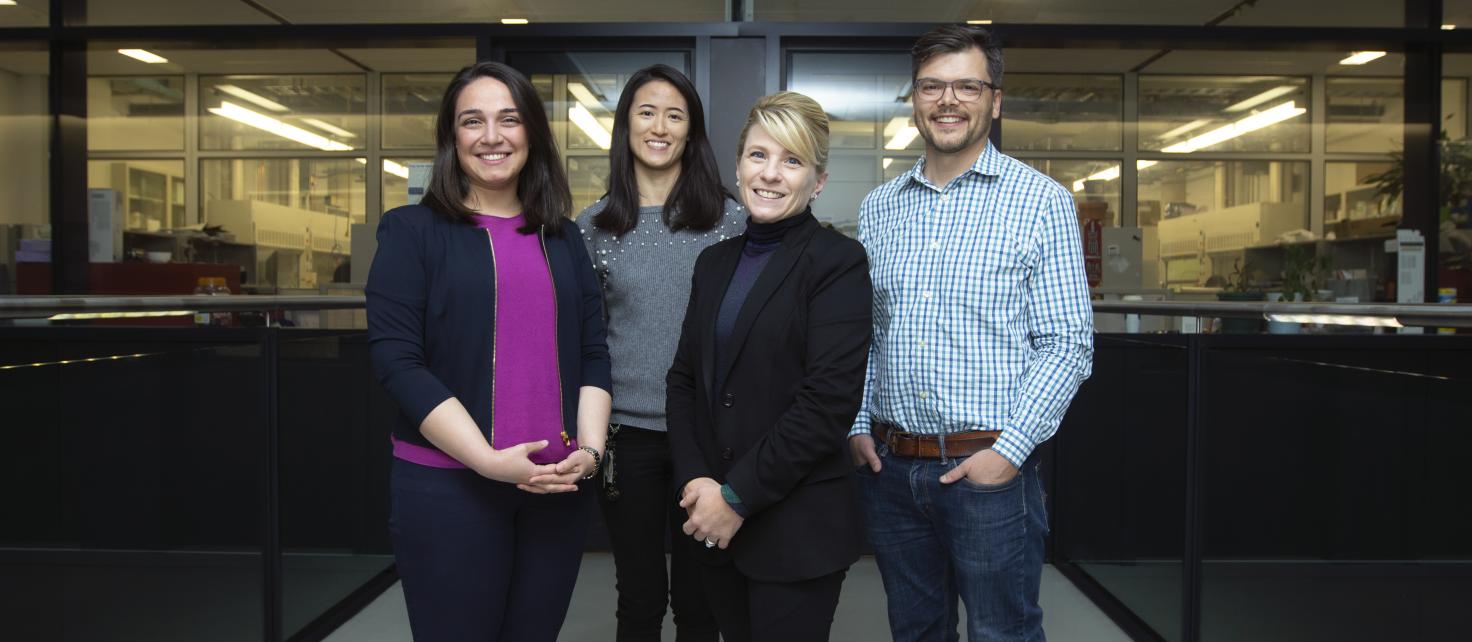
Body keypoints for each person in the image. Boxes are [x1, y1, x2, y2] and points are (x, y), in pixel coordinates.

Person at [848, 24, 1095, 642]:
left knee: (1002, 632)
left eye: (966, 86)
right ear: (914, 98)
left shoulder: (1041, 201)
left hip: (988, 473)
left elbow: (1067, 342)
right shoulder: (880, 207)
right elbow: (868, 335)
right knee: (916, 632)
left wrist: (1007, 453)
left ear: (995, 100)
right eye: (932, 86)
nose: (948, 100)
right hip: (892, 471)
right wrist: (856, 425)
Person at [365, 61, 612, 642]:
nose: (492, 136)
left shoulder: (563, 236)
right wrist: (486, 460)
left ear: (532, 133)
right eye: (472, 121)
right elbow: (398, 363)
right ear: (453, 138)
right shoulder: (411, 231)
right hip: (448, 491)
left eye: (509, 119)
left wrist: (593, 452)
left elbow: (593, 352)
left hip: (556, 490)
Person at [666, 91, 872, 642]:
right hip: (711, 522)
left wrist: (736, 496)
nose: (771, 174)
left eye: (792, 160)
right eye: (759, 156)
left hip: (795, 529)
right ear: (738, 165)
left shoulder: (838, 263)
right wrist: (697, 483)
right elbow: (684, 380)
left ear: (818, 181)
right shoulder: (714, 263)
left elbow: (826, 403)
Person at [575, 64, 739, 642]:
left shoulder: (731, 221)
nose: (660, 127)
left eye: (675, 115)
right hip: (628, 438)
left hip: (708, 436)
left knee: (702, 600)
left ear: (691, 131)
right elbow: (583, 342)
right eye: (647, 112)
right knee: (639, 598)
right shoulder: (592, 227)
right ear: (625, 126)